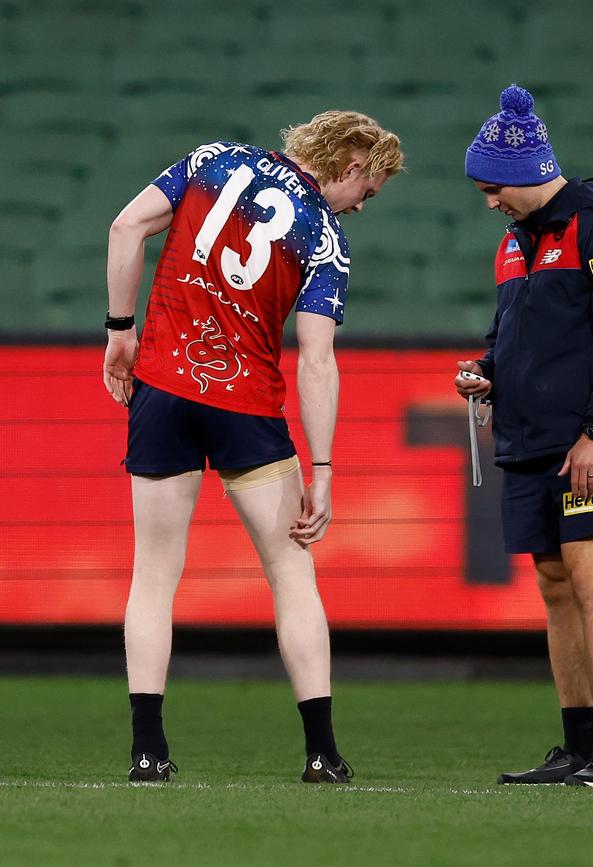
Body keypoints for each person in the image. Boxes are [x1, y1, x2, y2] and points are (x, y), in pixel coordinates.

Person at [103, 111, 404, 783]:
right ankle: (322, 752)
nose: (363, 204)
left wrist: (121, 329)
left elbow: (125, 227)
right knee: (291, 573)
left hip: (165, 386)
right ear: (353, 164)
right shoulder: (324, 237)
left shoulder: (209, 159)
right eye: (369, 190)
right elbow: (317, 361)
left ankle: (148, 750)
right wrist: (322, 469)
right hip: (245, 403)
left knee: (153, 574)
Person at [456, 84, 593, 787]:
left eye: (492, 188)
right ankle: (576, 747)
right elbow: (508, 333)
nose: (489, 203)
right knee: (554, 582)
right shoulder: (516, 243)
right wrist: (484, 369)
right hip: (532, 438)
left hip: (586, 441)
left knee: (591, 577)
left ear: (530, 171)